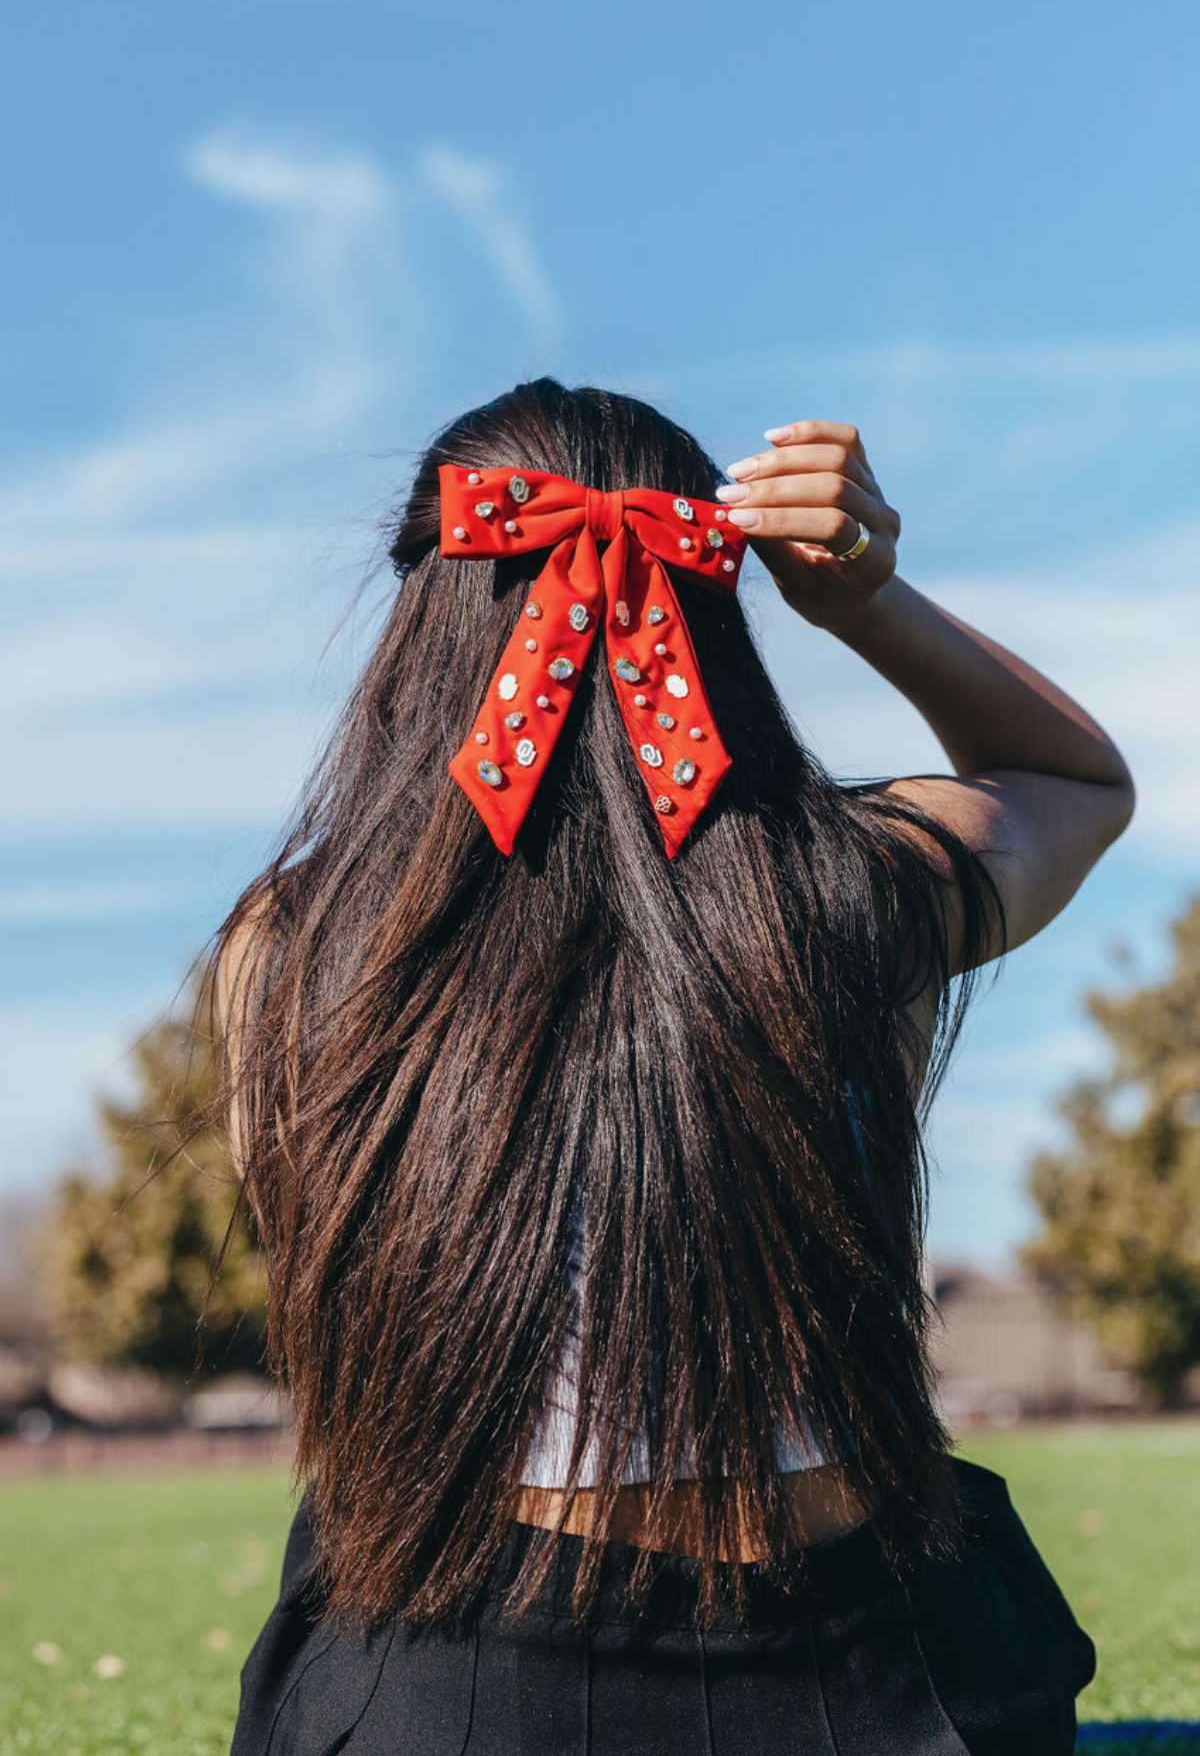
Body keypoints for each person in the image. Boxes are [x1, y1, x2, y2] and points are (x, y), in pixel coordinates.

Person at [209, 378, 1127, 1754]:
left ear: (424, 621)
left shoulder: (294, 944)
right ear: (719, 584)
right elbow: (1075, 783)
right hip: (884, 1690)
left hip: (449, 1696)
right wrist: (868, 600)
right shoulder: (860, 889)